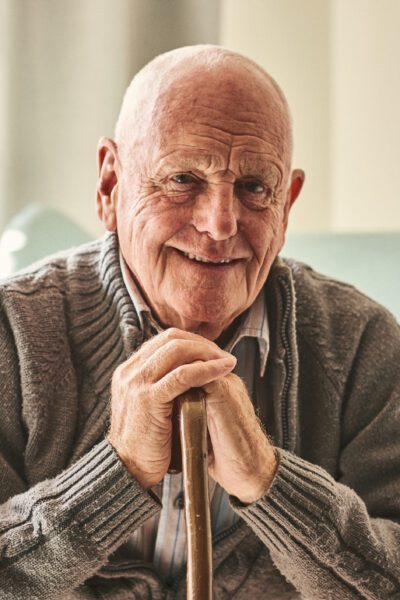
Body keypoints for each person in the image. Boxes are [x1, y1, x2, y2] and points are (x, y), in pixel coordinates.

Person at [0, 45, 399, 600]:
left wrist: (270, 482)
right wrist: (115, 474)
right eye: (183, 178)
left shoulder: (363, 343)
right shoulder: (11, 331)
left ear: (288, 205)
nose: (219, 223)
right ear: (111, 185)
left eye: (255, 188)